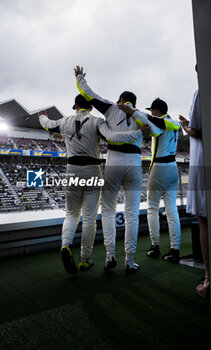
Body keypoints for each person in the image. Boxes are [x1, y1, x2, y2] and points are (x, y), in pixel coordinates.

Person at [39, 94, 150, 275]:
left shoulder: (65, 121)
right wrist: (139, 133)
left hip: (72, 169)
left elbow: (47, 124)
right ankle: (84, 260)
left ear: (75, 106)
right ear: (91, 107)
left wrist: (41, 115)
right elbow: (113, 137)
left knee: (71, 214)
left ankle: (65, 245)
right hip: (92, 170)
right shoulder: (97, 121)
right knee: (89, 218)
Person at [74, 65, 150, 274]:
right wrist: (133, 112)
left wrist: (80, 77)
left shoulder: (110, 108)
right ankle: (130, 261)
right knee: (132, 214)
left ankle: (110, 257)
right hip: (134, 163)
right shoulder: (140, 114)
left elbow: (89, 94)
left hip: (114, 162)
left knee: (108, 210)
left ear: (119, 101)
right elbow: (149, 130)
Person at [118, 99, 181, 262]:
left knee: (152, 208)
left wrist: (132, 112)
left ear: (157, 111)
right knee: (172, 211)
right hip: (174, 167)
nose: (151, 113)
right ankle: (175, 249)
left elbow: (149, 125)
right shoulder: (172, 123)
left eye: (152, 110)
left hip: (160, 167)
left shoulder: (161, 123)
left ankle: (155, 246)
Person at [179, 66, 209, 297]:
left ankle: (209, 278)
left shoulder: (202, 91)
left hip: (206, 165)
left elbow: (197, 132)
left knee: (205, 219)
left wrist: (187, 127)